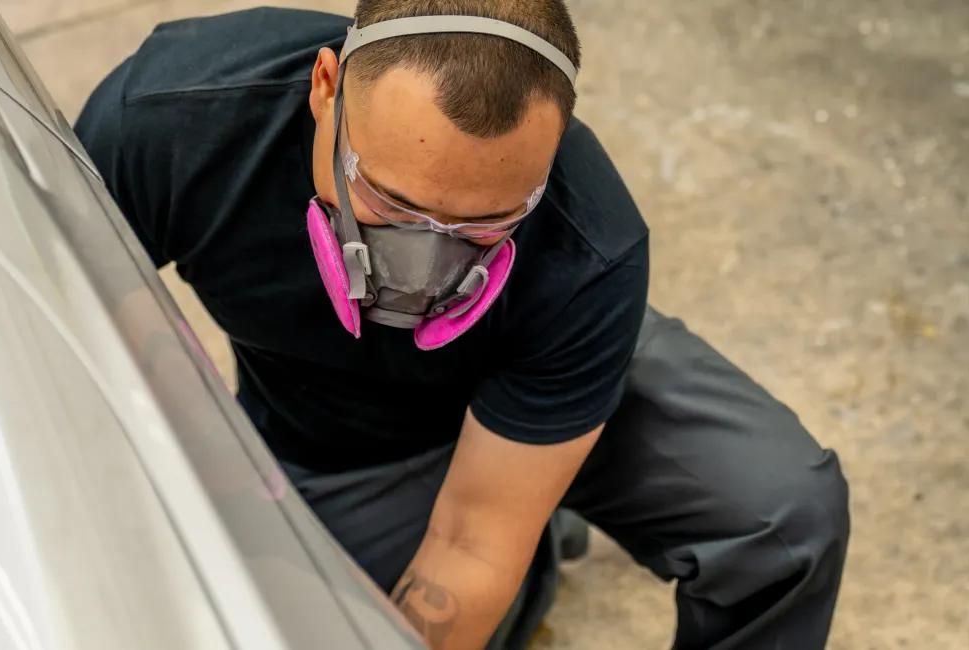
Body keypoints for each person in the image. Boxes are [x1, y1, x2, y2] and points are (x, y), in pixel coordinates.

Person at [73, 1, 850, 648]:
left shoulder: (588, 252)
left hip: (544, 356)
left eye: (483, 222)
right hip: (343, 448)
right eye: (389, 201)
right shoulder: (169, 125)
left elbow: (471, 543)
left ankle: (542, 485)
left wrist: (493, 534)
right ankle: (539, 532)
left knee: (781, 516)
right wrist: (222, 496)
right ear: (325, 87)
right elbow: (108, 343)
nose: (422, 263)